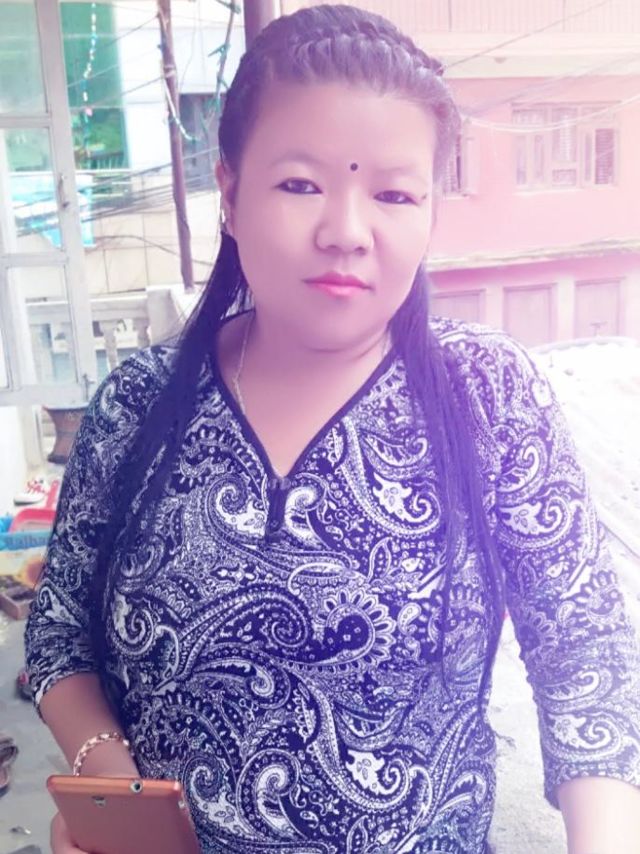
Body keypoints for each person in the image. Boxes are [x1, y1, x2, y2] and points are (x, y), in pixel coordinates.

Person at [24, 5, 640, 853]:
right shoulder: (137, 405)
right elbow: (59, 629)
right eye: (300, 185)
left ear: (430, 213)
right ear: (229, 194)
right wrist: (110, 785)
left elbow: (585, 659)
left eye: (394, 194)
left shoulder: (488, 396)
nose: (347, 233)